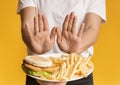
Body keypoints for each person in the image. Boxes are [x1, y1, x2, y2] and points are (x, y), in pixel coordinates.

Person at [17, 0, 106, 85]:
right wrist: (33, 44)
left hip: (78, 73)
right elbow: (27, 26)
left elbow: (92, 28)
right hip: (39, 72)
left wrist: (79, 46)